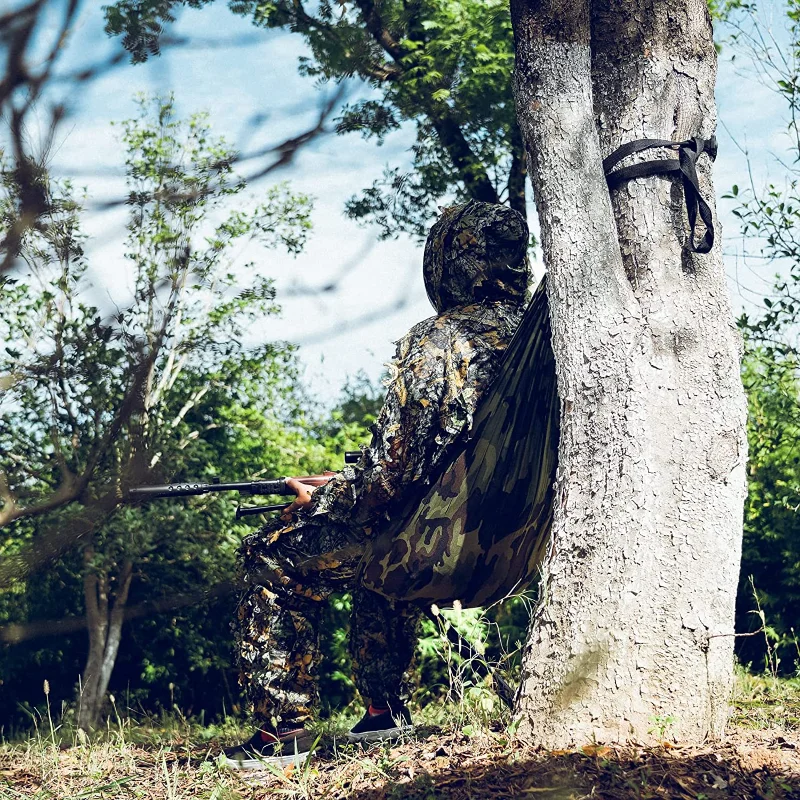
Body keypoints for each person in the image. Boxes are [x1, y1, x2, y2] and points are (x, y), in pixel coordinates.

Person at [223, 200, 532, 770]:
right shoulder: (550, 339)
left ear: (450, 262)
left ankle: (280, 737)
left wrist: (327, 496)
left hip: (436, 548)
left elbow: (388, 476)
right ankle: (383, 715)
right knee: (383, 539)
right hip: (515, 546)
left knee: (269, 556)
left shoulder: (438, 339)